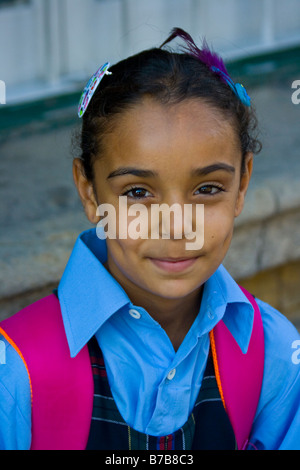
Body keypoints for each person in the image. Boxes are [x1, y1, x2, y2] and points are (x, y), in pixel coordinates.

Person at [0, 28, 299, 451]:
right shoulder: (15, 371)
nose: (176, 226)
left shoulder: (274, 355)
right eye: (138, 193)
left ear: (244, 181)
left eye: (207, 188)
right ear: (89, 191)